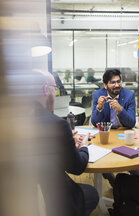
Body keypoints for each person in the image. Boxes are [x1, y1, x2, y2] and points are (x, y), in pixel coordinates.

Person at [31, 70, 99, 216]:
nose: (55, 94)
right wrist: (84, 147)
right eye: (54, 89)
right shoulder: (58, 125)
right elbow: (77, 167)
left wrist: (65, 141)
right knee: (92, 193)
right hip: (59, 200)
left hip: (34, 194)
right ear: (45, 89)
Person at [91, 69, 137, 186]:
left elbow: (131, 122)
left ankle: (138, 182)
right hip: (107, 135)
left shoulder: (129, 96)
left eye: (119, 81)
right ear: (105, 85)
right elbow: (95, 122)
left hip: (123, 133)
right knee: (101, 158)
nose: (117, 85)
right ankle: (111, 179)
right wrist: (100, 107)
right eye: (113, 82)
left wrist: (120, 109)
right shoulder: (98, 95)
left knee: (135, 161)